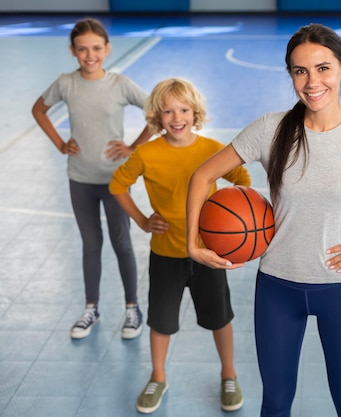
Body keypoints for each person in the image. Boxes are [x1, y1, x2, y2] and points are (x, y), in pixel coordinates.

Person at [186, 24, 341, 417]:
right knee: (277, 402)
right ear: (291, 75)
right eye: (300, 71)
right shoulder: (270, 129)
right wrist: (192, 244)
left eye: (323, 68)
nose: (312, 81)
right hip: (278, 287)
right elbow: (202, 176)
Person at [109, 77, 250, 413]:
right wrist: (143, 221)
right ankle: (158, 376)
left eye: (183, 109)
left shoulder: (212, 150)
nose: (176, 117)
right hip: (166, 253)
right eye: (168, 111)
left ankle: (228, 374)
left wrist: (226, 224)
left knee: (220, 319)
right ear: (157, 116)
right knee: (161, 322)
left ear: (195, 112)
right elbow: (118, 185)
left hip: (208, 254)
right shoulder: (146, 153)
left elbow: (241, 180)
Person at [31, 17, 152, 340]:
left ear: (107, 49)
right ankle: (91, 308)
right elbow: (39, 110)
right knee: (90, 245)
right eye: (82, 49)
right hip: (80, 179)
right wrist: (60, 144)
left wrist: (132, 147)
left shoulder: (120, 84)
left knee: (122, 243)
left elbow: (155, 112)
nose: (90, 55)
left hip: (115, 181)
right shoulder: (65, 83)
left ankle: (132, 308)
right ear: (72, 51)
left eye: (96, 48)